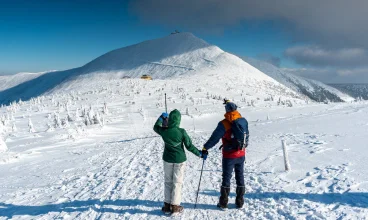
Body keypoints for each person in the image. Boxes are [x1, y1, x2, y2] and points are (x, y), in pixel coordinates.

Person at [153, 109, 206, 215]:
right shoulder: (182, 132)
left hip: (167, 159)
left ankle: (167, 205)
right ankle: (175, 206)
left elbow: (155, 127)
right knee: (177, 183)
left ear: (170, 119)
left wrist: (160, 118)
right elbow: (189, 146)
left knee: (168, 182)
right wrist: (199, 154)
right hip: (179, 160)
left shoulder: (164, 131)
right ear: (178, 120)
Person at [202, 100, 249, 209]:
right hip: (241, 153)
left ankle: (223, 203)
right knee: (240, 176)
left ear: (226, 110)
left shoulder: (224, 123)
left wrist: (205, 147)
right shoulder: (242, 120)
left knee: (226, 178)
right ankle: (240, 201)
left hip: (229, 155)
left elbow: (214, 138)